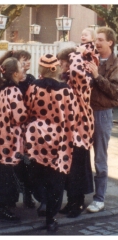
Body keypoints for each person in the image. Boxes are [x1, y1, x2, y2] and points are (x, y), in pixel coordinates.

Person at [24, 54, 79, 232]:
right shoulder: (65, 90)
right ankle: (50, 218)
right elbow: (73, 116)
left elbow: (27, 109)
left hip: (37, 138)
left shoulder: (33, 87)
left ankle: (42, 201)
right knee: (56, 179)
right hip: (59, 140)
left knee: (38, 173)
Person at [57, 28, 98, 218]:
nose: (62, 66)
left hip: (81, 128)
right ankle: (73, 201)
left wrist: (75, 54)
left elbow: (76, 70)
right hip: (70, 129)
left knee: (78, 167)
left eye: (63, 62)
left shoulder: (82, 78)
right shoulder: (69, 80)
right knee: (71, 167)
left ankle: (78, 203)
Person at [0, 57, 28, 222]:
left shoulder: (0, 89)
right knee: (6, 174)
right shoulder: (14, 91)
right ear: (15, 74)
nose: (23, 70)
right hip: (9, 139)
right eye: (20, 68)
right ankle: (2, 207)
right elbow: (20, 116)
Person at [0, 50, 36, 209]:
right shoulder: (9, 85)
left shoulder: (30, 79)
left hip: (25, 128)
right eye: (23, 60)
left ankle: (27, 194)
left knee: (27, 164)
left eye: (28, 60)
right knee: (15, 164)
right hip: (17, 128)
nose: (27, 63)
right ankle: (12, 198)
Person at [86, 26, 118, 213]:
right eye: (95, 39)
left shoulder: (115, 64)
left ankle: (99, 198)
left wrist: (97, 76)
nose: (96, 43)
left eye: (100, 40)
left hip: (102, 113)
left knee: (100, 157)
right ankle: (78, 196)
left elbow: (115, 92)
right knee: (80, 156)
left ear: (110, 42)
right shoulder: (90, 58)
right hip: (84, 112)